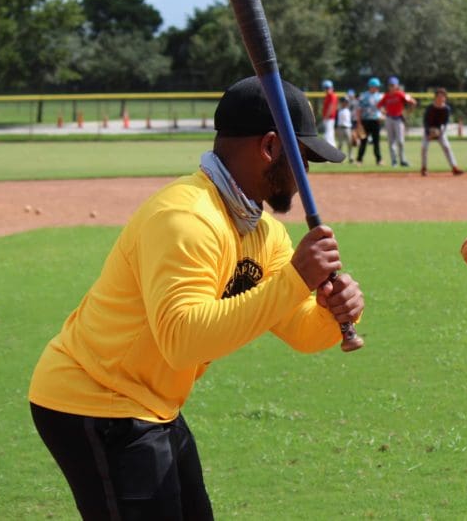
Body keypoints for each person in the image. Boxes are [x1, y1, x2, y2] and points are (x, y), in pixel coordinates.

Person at [28, 76, 365, 520]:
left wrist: (328, 313)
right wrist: (295, 280)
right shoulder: (185, 218)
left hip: (152, 400)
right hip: (95, 398)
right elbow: (183, 340)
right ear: (269, 147)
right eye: (303, 157)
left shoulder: (263, 233)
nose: (307, 174)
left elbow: (298, 328)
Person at [420, 87, 464, 177]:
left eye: (443, 96)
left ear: (445, 98)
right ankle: (424, 168)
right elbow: (425, 121)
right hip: (429, 130)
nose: (441, 98)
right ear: (435, 97)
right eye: (439, 96)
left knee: (447, 147)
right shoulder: (430, 108)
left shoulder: (446, 109)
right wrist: (428, 133)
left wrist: (440, 132)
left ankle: (454, 168)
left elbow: (445, 123)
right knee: (424, 148)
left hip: (440, 130)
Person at [377, 76, 417, 167]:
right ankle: (394, 161)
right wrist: (383, 112)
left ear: (397, 86)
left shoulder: (400, 94)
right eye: (390, 85)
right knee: (391, 142)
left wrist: (408, 113)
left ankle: (402, 160)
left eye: (393, 85)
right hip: (389, 119)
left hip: (398, 119)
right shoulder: (386, 95)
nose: (391, 87)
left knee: (400, 141)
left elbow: (413, 102)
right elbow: (379, 105)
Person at [355, 77, 384, 166]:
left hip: (376, 121)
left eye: (378, 86)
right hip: (365, 121)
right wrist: (359, 122)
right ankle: (359, 160)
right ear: (371, 86)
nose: (377, 88)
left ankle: (379, 160)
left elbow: (383, 109)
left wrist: (383, 116)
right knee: (363, 141)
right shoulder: (363, 96)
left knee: (376, 142)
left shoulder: (380, 96)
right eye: (376, 86)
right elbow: (359, 110)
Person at [335, 96, 354, 163]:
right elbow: (336, 120)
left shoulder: (349, 110)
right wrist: (336, 129)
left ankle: (351, 157)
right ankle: (339, 158)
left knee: (349, 143)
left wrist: (353, 129)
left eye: (346, 102)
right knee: (340, 144)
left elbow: (351, 120)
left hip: (348, 128)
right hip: (340, 128)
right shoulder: (338, 110)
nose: (345, 103)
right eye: (343, 102)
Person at [321, 79, 338, 147]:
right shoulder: (327, 96)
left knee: (329, 134)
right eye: (326, 88)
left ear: (331, 88)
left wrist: (326, 116)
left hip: (329, 118)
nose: (327, 89)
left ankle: (330, 147)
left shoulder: (332, 96)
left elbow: (331, 107)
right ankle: (330, 147)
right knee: (328, 133)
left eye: (328, 88)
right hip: (327, 118)